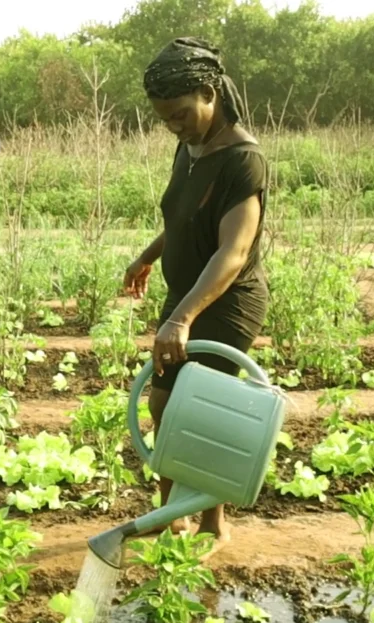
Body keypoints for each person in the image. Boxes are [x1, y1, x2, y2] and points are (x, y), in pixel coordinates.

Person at [122, 37, 269, 550]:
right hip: (186, 295)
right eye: (165, 119)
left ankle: (213, 523)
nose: (174, 126)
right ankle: (172, 514)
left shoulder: (242, 159)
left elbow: (232, 252)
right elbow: (183, 217)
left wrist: (180, 319)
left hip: (226, 302)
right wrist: (148, 255)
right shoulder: (190, 148)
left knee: (202, 408)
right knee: (164, 405)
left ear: (210, 93)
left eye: (181, 114)